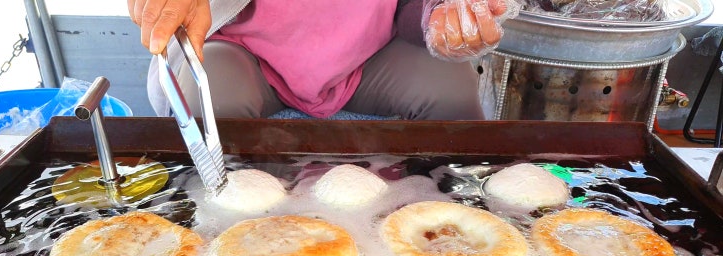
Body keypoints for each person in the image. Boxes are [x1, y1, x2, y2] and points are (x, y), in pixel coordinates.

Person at [129, 0, 514, 120]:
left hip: (366, 56)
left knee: (450, 86)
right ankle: (237, 234)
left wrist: (439, 17)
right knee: (212, 93)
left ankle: (446, 226)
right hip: (248, 53)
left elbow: (412, 6)